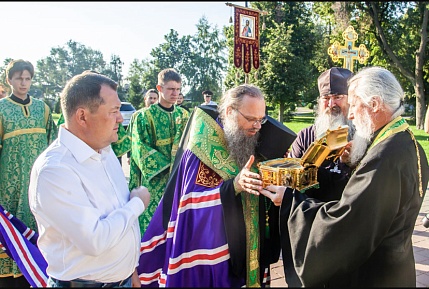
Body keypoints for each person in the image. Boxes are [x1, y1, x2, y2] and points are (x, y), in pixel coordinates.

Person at [261, 66, 429, 287]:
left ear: (375, 104)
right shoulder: (405, 141)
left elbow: (345, 224)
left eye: (354, 103)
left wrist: (290, 202)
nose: (349, 114)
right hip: (394, 264)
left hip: (375, 274)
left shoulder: (384, 157)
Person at [136, 84, 282, 287]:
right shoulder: (202, 147)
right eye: (251, 119)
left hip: (248, 245)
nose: (257, 126)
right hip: (215, 251)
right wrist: (234, 187)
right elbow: (191, 205)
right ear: (230, 111)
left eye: (261, 119)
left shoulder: (250, 138)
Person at [28, 71, 151, 288]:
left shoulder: (104, 150)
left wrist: (129, 269)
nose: (121, 118)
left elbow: (116, 211)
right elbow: (95, 240)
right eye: (114, 111)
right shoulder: (56, 170)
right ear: (82, 116)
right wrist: (138, 203)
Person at [0, 59, 57, 287]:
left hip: (38, 182)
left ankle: (38, 272)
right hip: (8, 185)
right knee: (11, 230)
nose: (24, 83)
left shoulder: (42, 109)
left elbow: (53, 144)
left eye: (27, 78)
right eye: (19, 78)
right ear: (9, 80)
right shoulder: (1, 109)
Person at [129, 68, 189, 236]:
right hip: (155, 181)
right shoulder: (144, 116)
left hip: (178, 179)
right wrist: (169, 166)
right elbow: (139, 147)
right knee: (152, 227)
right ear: (159, 88)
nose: (175, 93)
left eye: (178, 89)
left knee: (176, 226)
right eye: (171, 89)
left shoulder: (184, 115)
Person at [287, 67, 354, 201]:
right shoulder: (304, 136)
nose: (331, 104)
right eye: (326, 98)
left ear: (350, 100)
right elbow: (291, 181)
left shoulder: (362, 136)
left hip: (347, 215)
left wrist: (351, 163)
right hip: (309, 213)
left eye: (337, 97)